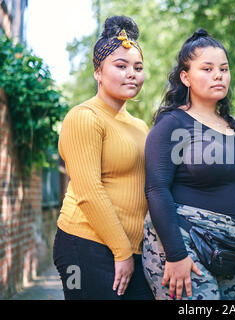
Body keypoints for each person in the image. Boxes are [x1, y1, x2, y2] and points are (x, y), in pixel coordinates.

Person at [142, 29, 235, 300]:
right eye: (207, 69)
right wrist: (176, 255)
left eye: (223, 69)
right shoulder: (172, 123)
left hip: (227, 251)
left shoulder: (233, 128)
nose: (218, 75)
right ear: (185, 77)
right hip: (182, 245)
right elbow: (156, 190)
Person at [53, 16, 154, 300]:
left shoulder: (139, 126)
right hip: (83, 246)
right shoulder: (84, 117)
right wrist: (122, 251)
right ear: (98, 72)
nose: (131, 73)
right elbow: (88, 192)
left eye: (138, 67)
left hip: (131, 251)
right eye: (120, 66)